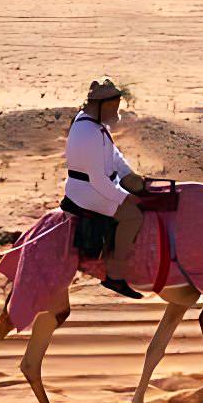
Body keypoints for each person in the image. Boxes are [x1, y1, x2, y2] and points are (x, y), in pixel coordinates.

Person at [63, 78, 148, 299]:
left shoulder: (93, 125)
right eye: (114, 107)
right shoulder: (88, 132)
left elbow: (113, 156)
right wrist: (124, 198)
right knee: (133, 216)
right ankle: (116, 275)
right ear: (103, 105)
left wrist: (131, 176)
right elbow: (97, 179)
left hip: (98, 185)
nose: (116, 112)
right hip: (87, 192)